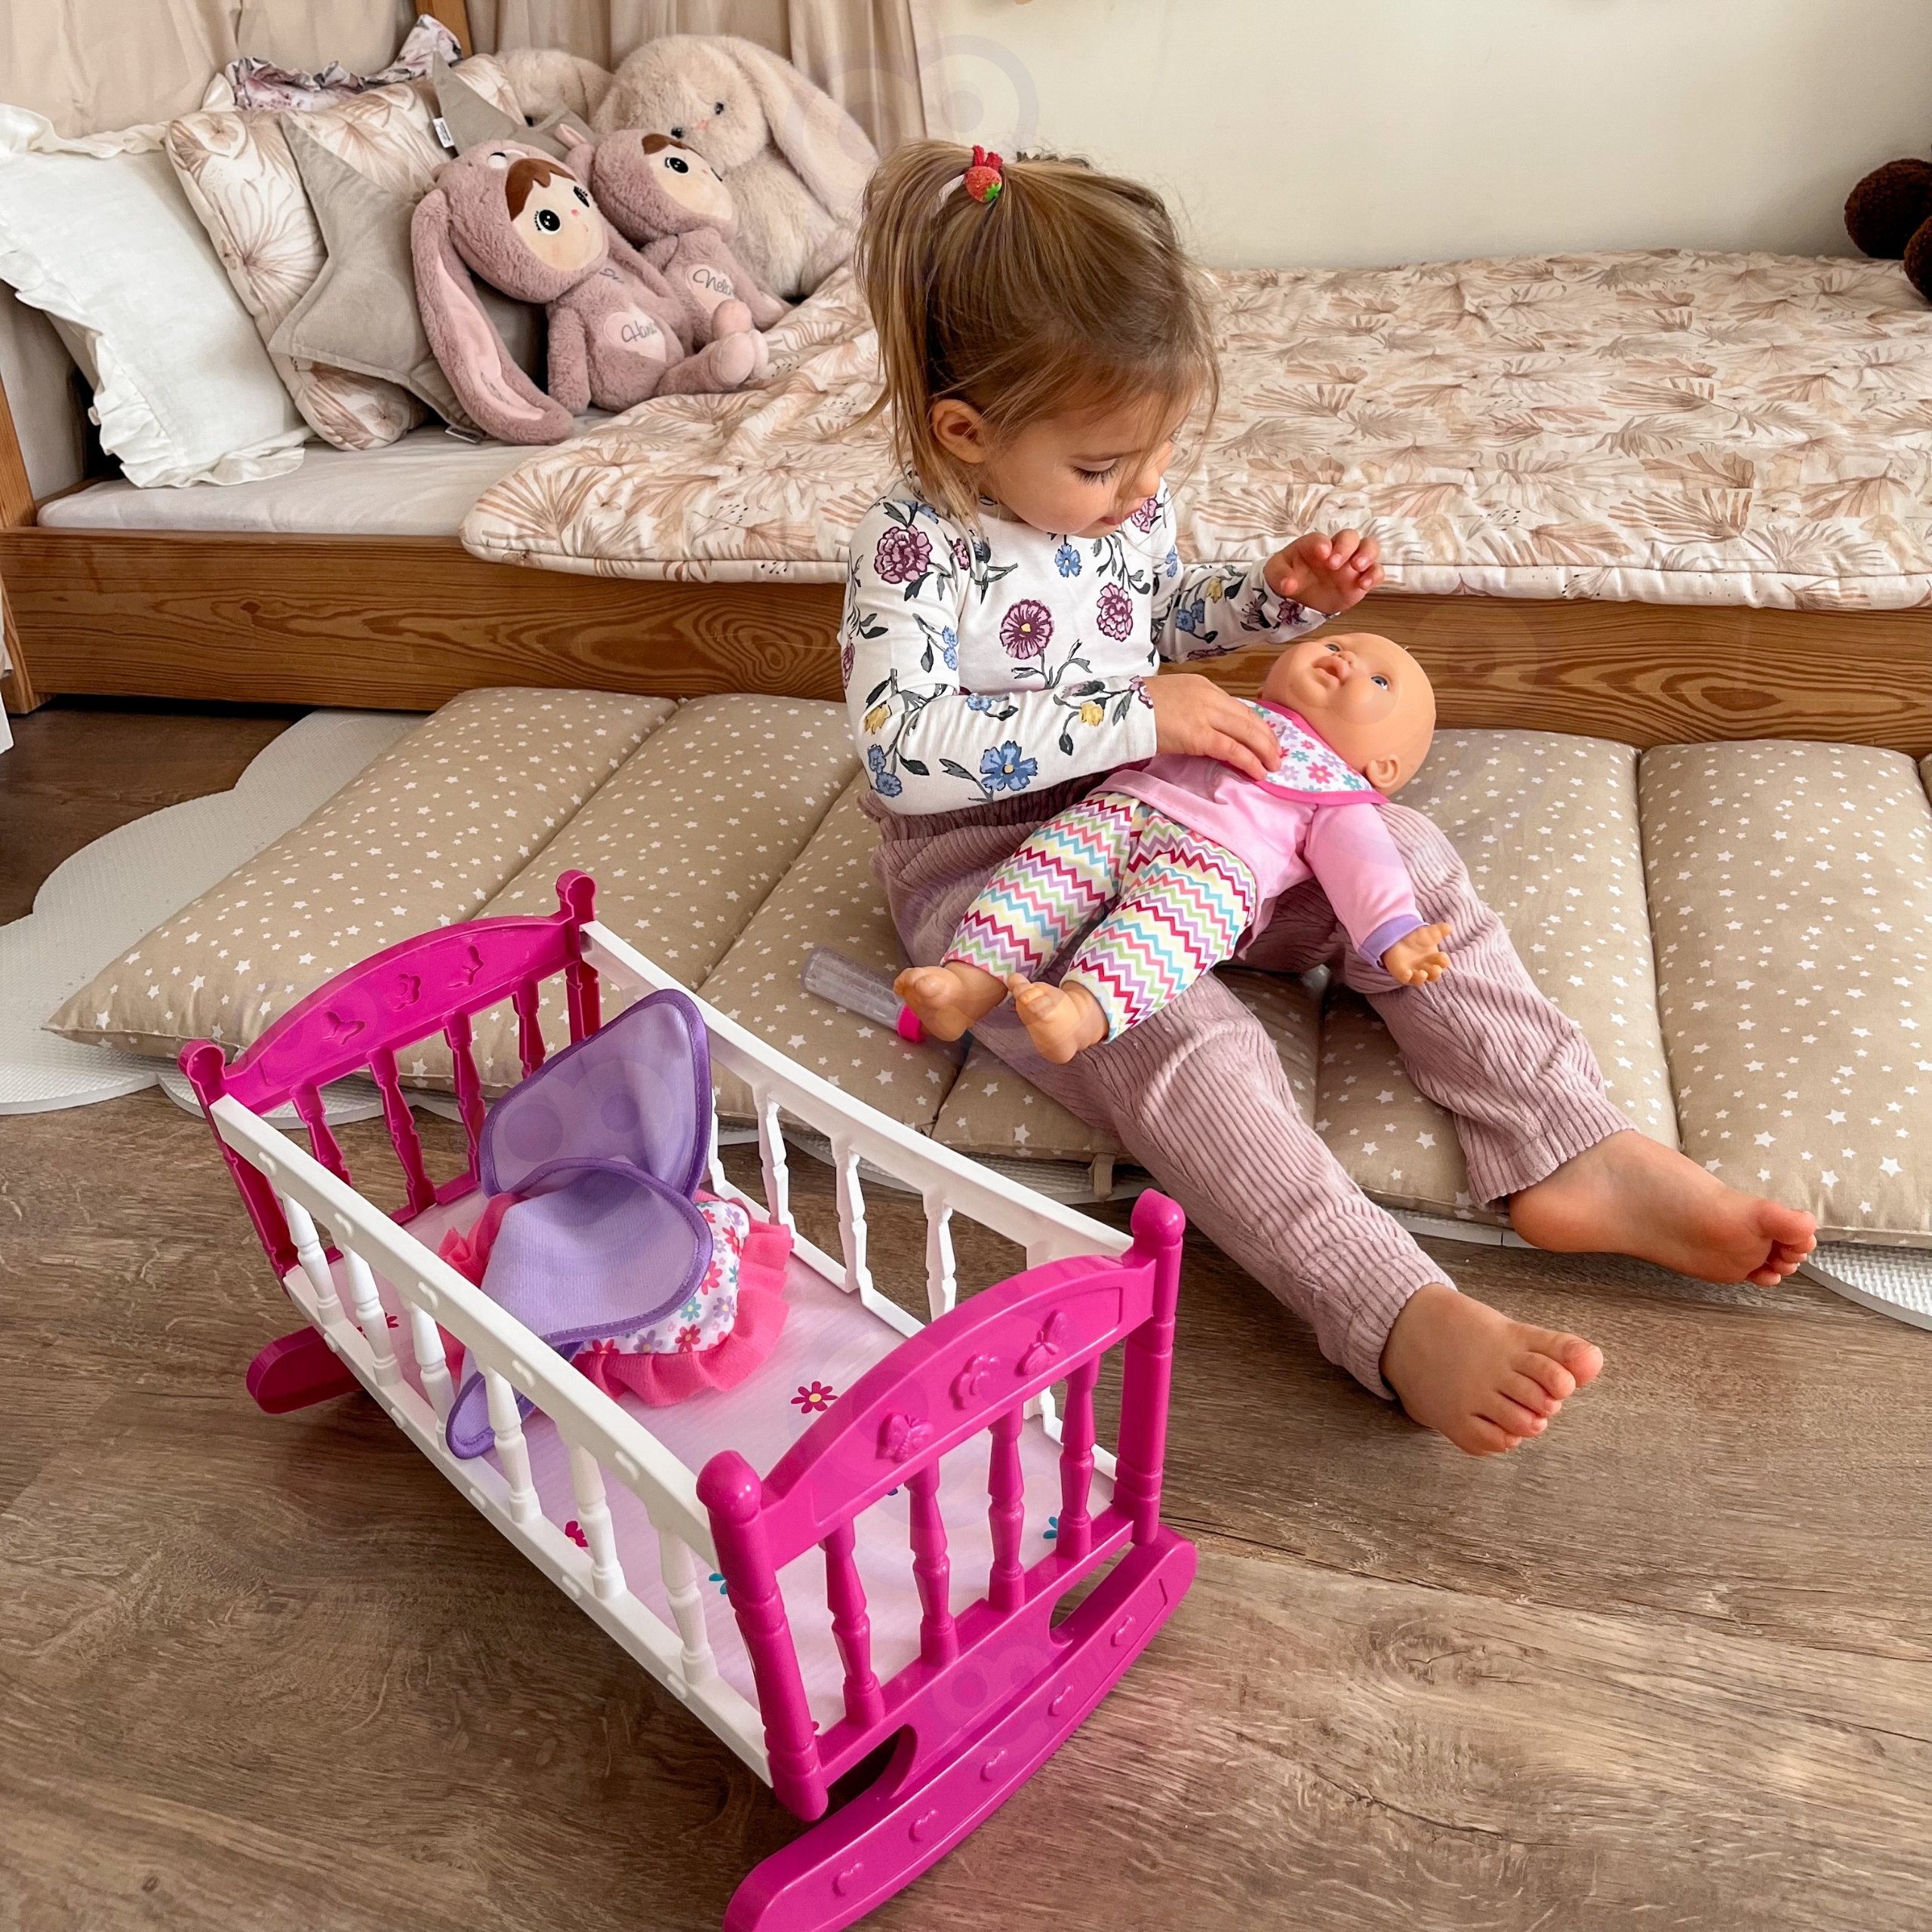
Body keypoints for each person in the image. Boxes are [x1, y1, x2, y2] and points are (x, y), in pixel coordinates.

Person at [841, 140, 1817, 1455]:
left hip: (1177, 810)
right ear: (967, 433)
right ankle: (1392, 1307)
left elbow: (1157, 619)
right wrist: (1141, 713)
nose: (1145, 488)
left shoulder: (1121, 500)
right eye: (1109, 466)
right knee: (1183, 1045)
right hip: (1005, 870)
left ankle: (1564, 1141)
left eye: (1162, 450)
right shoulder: (912, 547)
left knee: (1398, 856)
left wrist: (1265, 600)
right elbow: (902, 751)